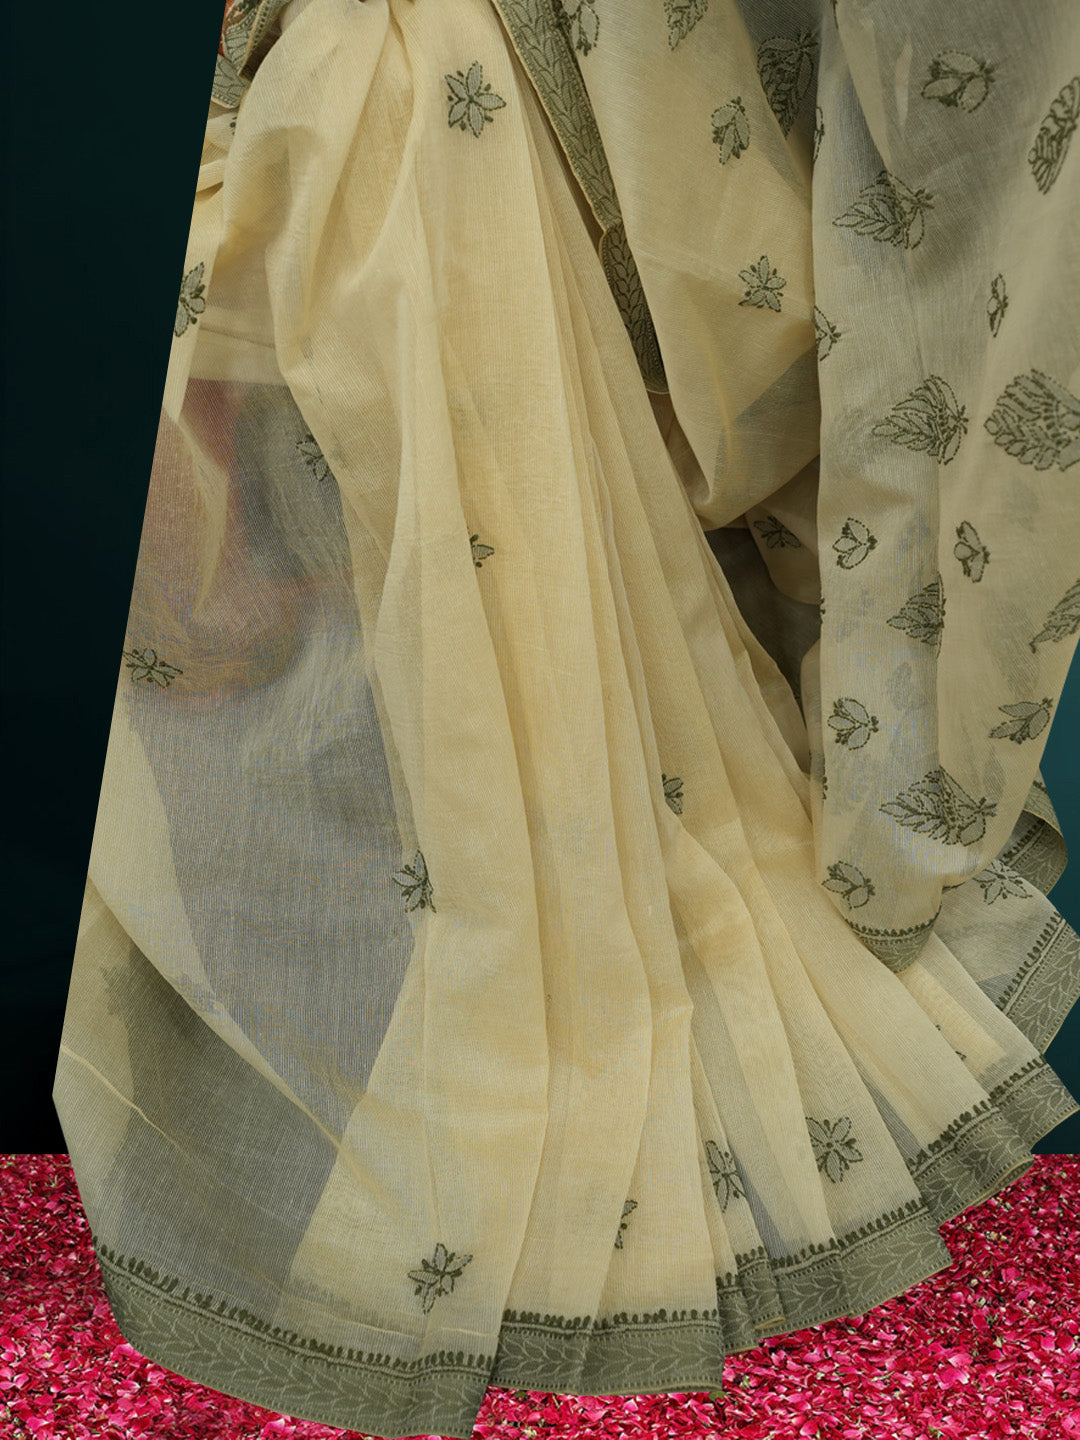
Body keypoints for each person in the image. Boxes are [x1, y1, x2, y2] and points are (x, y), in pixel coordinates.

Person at [54, 2, 1080, 1436]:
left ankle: (437, 1220)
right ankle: (382, 1191)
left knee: (465, 725)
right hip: (351, 119)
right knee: (306, 701)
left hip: (426, 139)